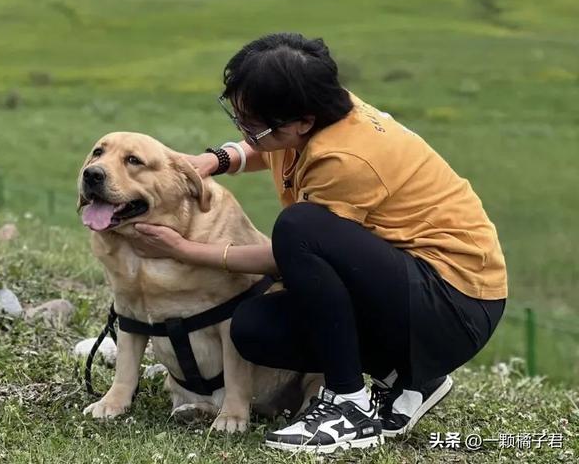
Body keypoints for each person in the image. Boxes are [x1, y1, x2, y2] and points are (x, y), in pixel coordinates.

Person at [132, 32, 508, 453]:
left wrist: (186, 251)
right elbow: (272, 147)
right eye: (237, 115)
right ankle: (409, 379)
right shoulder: (313, 113)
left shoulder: (346, 160)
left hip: (454, 302)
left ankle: (347, 406)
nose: (243, 131)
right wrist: (217, 160)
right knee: (254, 329)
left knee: (300, 228)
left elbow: (290, 255)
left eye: (251, 124)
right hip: (408, 287)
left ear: (302, 122)